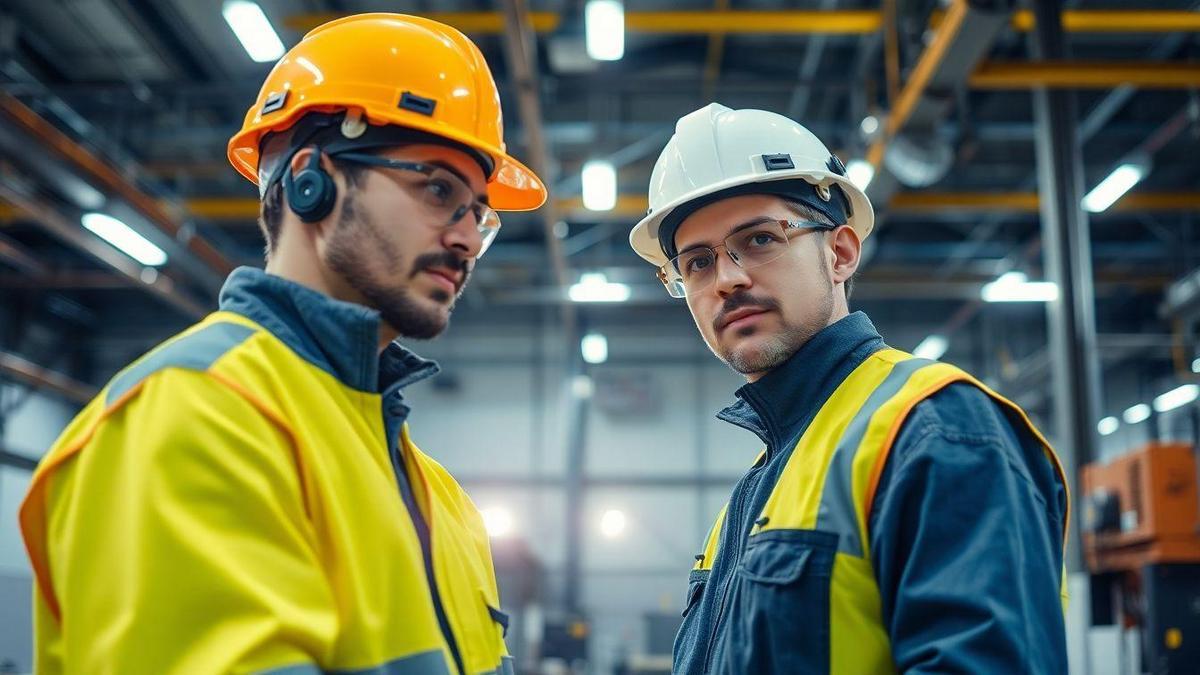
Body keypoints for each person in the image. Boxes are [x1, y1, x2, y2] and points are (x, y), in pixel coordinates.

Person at [20, 13, 544, 674]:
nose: (467, 238)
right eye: (438, 189)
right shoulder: (196, 414)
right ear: (310, 179)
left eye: (479, 213)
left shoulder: (439, 496)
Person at [628, 103, 1069, 673]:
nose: (728, 279)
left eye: (759, 240)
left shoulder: (935, 430)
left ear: (839, 253)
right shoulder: (761, 485)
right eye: (697, 263)